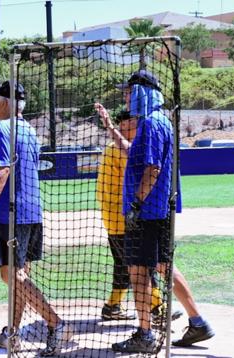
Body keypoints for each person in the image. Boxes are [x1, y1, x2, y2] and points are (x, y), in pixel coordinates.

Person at [96, 70, 213, 353]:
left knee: (137, 271)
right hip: (159, 211)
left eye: (129, 91)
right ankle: (198, 322)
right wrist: (110, 126)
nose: (126, 97)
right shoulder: (161, 121)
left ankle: (145, 334)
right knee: (164, 266)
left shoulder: (149, 123)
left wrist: (135, 204)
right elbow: (132, 152)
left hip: (147, 213)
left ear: (143, 92)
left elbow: (152, 169)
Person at [0, 81, 71, 355]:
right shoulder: (30, 130)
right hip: (32, 212)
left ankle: (56, 324)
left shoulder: (1, 129)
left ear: (6, 102)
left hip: (12, 213)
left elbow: (0, 172)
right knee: (18, 275)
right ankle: (13, 332)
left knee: (12, 275)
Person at [96, 111, 139, 320]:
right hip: (121, 216)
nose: (134, 128)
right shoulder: (118, 151)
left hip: (115, 216)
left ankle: (112, 306)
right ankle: (158, 307)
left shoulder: (114, 149)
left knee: (123, 263)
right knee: (138, 263)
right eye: (130, 125)